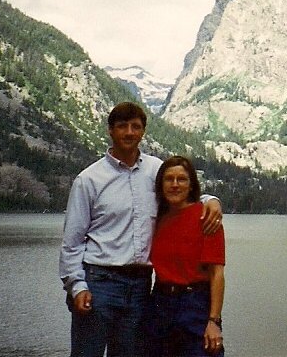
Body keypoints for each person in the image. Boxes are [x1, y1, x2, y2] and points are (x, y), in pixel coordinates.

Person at [59, 102, 223, 357]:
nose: (129, 132)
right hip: (99, 283)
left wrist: (210, 200)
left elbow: (180, 187)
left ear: (143, 132)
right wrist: (77, 285)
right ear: (110, 131)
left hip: (140, 287)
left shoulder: (155, 170)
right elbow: (72, 241)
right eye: (122, 126)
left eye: (135, 127)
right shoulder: (89, 180)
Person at [146, 155, 226, 357]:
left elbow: (217, 274)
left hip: (195, 305)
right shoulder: (158, 219)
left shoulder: (206, 217)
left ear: (191, 185)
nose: (175, 184)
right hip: (160, 304)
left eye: (181, 179)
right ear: (160, 185)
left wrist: (214, 321)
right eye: (168, 179)